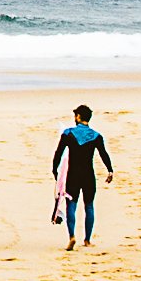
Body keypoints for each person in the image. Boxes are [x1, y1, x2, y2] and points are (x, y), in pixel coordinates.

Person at [52, 104, 113, 248]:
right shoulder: (96, 136)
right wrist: (110, 170)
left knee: (71, 205)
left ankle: (72, 236)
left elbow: (58, 153)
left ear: (78, 116)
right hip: (88, 175)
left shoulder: (68, 134)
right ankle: (87, 240)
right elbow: (103, 154)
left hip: (73, 175)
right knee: (89, 206)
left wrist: (55, 170)